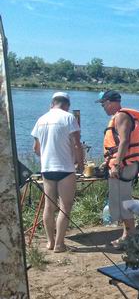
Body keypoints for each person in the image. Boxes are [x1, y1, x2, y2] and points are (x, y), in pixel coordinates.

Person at [31, 92, 84, 252]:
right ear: (67, 105)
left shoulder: (41, 119)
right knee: (65, 207)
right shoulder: (69, 118)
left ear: (52, 103)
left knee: (49, 206)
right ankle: (60, 244)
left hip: (47, 169)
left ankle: (50, 242)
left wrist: (48, 153)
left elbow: (36, 149)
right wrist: (80, 163)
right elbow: (77, 144)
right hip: (65, 168)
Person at [97, 90, 139, 248]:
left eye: (103, 104)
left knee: (124, 200)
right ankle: (128, 233)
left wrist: (117, 165)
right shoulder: (121, 116)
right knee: (121, 200)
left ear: (110, 102)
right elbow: (119, 144)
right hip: (124, 163)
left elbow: (124, 142)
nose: (103, 108)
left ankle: (129, 235)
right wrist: (108, 162)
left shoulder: (121, 116)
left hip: (124, 165)